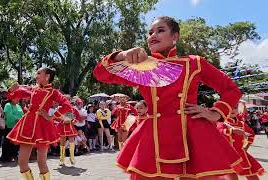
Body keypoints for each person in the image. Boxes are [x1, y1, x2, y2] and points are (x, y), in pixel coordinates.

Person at [93, 16, 243, 179]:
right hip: (153, 138)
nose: (153, 35)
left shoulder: (194, 63)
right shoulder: (141, 67)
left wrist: (216, 113)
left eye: (160, 30)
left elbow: (231, 89)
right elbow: (100, 74)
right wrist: (122, 56)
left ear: (175, 37)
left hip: (192, 135)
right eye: (150, 33)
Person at [6, 67, 74, 180]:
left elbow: (68, 107)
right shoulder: (32, 89)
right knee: (22, 163)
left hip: (43, 126)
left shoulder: (54, 92)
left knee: (41, 162)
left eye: (39, 73)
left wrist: (51, 116)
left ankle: (67, 158)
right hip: (27, 126)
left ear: (47, 76)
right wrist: (10, 90)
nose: (36, 75)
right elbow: (11, 96)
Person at [217, 108, 265, 179]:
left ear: (237, 110)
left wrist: (246, 147)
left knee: (252, 174)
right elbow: (219, 131)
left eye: (234, 108)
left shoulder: (242, 124)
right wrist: (231, 130)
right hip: (227, 156)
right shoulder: (221, 122)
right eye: (229, 108)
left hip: (241, 154)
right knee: (231, 177)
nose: (232, 110)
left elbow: (251, 134)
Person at [54, 95, 78, 166]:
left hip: (70, 126)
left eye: (68, 99)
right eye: (65, 99)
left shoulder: (73, 109)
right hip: (62, 126)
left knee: (72, 142)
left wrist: (74, 121)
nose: (67, 101)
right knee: (62, 143)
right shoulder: (60, 108)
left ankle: (72, 158)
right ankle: (62, 158)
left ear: (70, 100)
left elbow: (75, 117)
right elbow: (56, 117)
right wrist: (62, 118)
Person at [2, 96, 23, 162]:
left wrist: (21, 119)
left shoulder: (18, 106)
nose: (18, 99)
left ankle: (15, 155)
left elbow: (22, 114)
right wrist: (17, 118)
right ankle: (7, 156)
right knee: (8, 142)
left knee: (16, 142)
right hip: (10, 126)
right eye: (16, 98)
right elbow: (9, 115)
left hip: (18, 126)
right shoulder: (8, 105)